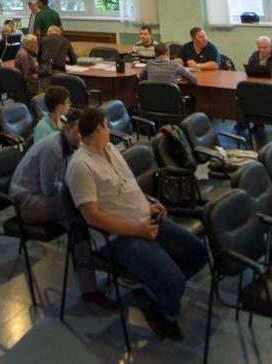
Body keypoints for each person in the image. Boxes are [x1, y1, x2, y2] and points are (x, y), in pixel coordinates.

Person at [65, 107, 209, 340]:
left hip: (144, 220)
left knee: (198, 253)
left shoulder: (110, 148)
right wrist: (136, 230)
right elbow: (92, 216)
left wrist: (148, 203)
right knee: (173, 280)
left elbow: (128, 184)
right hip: (119, 237)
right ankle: (164, 313)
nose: (110, 129)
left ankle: (154, 290)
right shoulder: (80, 166)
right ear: (100, 128)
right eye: (107, 125)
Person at [12, 108, 83, 222]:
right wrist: (71, 186)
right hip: (27, 202)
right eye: (80, 132)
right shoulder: (53, 149)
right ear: (68, 129)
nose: (83, 137)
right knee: (80, 201)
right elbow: (48, 189)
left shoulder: (67, 144)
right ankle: (79, 237)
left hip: (40, 194)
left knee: (82, 196)